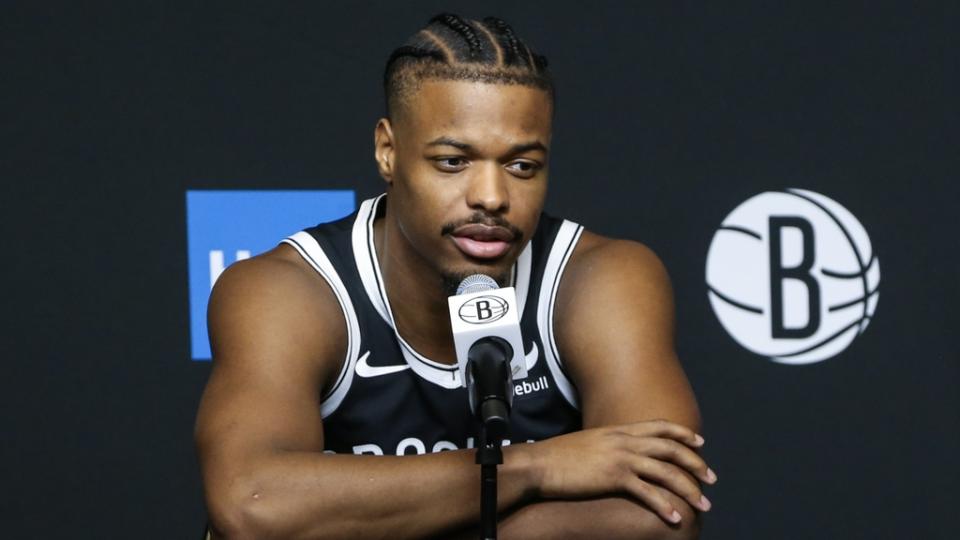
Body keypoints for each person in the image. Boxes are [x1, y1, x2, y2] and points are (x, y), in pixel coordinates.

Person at [195, 13, 716, 539]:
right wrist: (535, 467)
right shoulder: (288, 291)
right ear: (388, 151)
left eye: (522, 166)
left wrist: (368, 520)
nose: (491, 196)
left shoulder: (599, 279)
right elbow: (253, 506)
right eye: (452, 161)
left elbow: (664, 515)